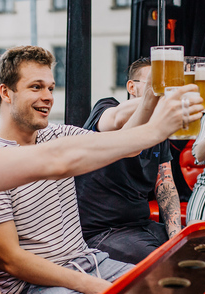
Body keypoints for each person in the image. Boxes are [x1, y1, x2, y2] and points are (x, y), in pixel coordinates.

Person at [0, 45, 202, 294]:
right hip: (34, 287)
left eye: (51, 88)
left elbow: (124, 145)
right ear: (6, 92)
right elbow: (11, 257)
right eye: (36, 87)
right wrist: (157, 129)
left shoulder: (55, 134)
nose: (48, 97)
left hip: (85, 261)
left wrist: (151, 94)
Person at [75, 57, 182, 265]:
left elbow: (165, 184)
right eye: (153, 83)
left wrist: (176, 234)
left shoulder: (159, 129)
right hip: (102, 231)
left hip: (141, 226)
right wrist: (153, 100)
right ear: (131, 87)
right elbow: (117, 119)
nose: (162, 90)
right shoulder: (106, 107)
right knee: (165, 265)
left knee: (201, 255)